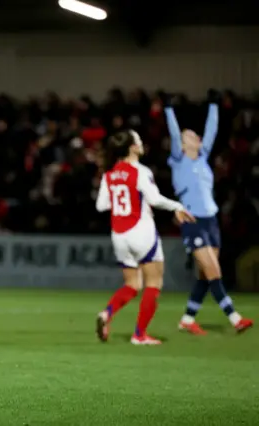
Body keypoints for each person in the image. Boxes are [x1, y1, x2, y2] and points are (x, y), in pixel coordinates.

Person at [164, 92, 253, 335]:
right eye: (187, 135)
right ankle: (234, 318)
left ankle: (187, 318)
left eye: (193, 134)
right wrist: (168, 110)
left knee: (205, 274)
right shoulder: (178, 160)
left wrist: (214, 105)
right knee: (214, 270)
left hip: (211, 220)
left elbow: (212, 129)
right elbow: (173, 133)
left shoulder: (202, 158)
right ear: (182, 144)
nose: (192, 135)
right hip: (192, 220)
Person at [95, 130, 195, 345]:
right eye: (138, 140)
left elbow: (101, 205)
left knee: (132, 284)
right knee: (154, 282)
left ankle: (107, 313)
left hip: (119, 234)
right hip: (141, 231)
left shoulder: (109, 174)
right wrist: (177, 206)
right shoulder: (140, 171)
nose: (142, 143)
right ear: (132, 147)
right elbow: (154, 198)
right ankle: (139, 335)